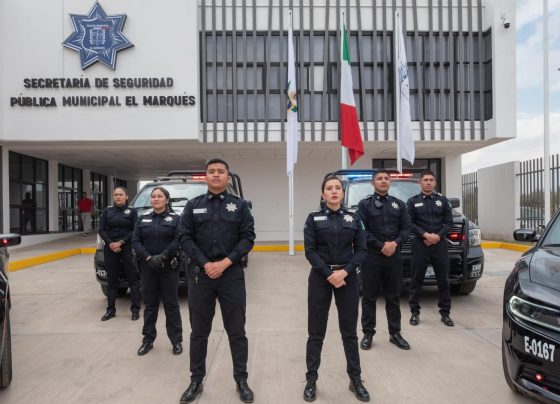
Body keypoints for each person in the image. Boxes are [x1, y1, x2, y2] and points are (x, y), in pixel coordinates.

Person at [179, 159, 255, 404]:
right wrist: (206, 264)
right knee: (199, 332)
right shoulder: (193, 205)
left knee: (237, 331)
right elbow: (184, 237)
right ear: (206, 177)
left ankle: (241, 380)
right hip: (201, 276)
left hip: (231, 275)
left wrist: (224, 263)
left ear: (227, 177)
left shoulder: (240, 206)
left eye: (220, 171)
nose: (215, 175)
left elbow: (248, 238)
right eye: (211, 171)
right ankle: (196, 380)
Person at [302, 175, 369, 402]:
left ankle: (355, 379)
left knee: (349, 333)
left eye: (337, 188)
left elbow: (362, 249)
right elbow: (310, 251)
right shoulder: (313, 218)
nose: (333, 191)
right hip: (320, 278)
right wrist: (329, 274)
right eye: (329, 188)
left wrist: (344, 272)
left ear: (342, 192)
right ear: (323, 193)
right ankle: (311, 380)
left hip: (347, 278)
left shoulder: (354, 218)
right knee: (316, 333)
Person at [357, 170, 411, 351]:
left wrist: (394, 244)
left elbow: (406, 229)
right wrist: (381, 246)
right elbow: (362, 231)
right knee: (369, 297)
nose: (383, 181)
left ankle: (395, 333)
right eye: (379, 178)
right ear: (373, 183)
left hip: (394, 257)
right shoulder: (364, 205)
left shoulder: (399, 204)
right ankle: (368, 334)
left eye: (386, 178)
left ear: (390, 182)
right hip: (372, 257)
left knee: (393, 297)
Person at [132, 186, 183, 356]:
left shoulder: (176, 219)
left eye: (160, 196)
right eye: (153, 196)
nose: (155, 199)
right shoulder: (143, 218)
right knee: (150, 306)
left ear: (167, 200)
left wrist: (163, 256)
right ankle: (148, 340)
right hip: (148, 269)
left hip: (169, 268)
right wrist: (148, 257)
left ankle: (176, 341)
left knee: (171, 305)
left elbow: (178, 239)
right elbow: (136, 241)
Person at [407, 170, 454, 327]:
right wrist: (425, 235)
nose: (428, 182)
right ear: (420, 182)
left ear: (435, 182)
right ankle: (414, 313)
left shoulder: (443, 200)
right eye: (425, 180)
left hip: (439, 245)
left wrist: (437, 236)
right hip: (420, 245)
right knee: (416, 280)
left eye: (431, 180)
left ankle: (445, 313)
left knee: (443, 280)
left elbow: (449, 222)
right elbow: (409, 223)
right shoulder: (412, 201)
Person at [98, 187, 141, 322]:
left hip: (127, 247)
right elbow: (102, 230)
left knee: (133, 280)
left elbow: (135, 230)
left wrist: (121, 242)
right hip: (110, 248)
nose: (118, 197)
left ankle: (135, 310)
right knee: (112, 281)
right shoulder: (107, 211)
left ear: (126, 196)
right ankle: (110, 310)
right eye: (116, 194)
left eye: (121, 194)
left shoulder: (132, 211)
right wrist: (111, 243)